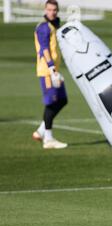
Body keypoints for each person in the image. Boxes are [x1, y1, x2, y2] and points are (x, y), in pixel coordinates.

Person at [32, 0, 68, 149]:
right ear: (45, 10)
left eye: (54, 10)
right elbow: (44, 49)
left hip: (54, 70)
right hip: (48, 71)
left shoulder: (54, 25)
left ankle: (40, 132)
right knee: (52, 103)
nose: (52, 12)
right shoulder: (43, 27)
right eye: (49, 9)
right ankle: (48, 139)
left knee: (62, 100)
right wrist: (52, 68)